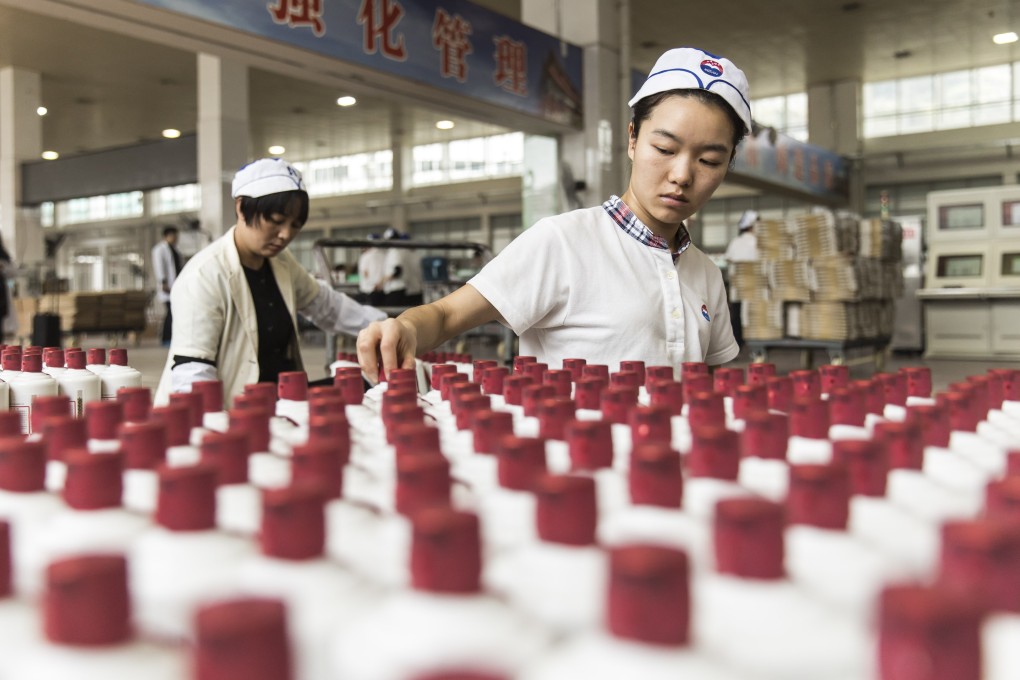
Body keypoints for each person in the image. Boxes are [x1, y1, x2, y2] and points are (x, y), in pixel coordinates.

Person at [358, 47, 750, 382]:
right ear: (632, 138)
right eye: (664, 149)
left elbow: (708, 384)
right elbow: (446, 315)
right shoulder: (564, 242)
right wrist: (406, 327)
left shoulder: (705, 273)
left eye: (709, 160)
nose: (682, 175)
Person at [154, 158, 387, 406]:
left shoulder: (280, 262)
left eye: (295, 225)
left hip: (278, 401)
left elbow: (328, 306)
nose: (286, 234)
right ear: (242, 208)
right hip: (234, 410)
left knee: (365, 385)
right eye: (276, 221)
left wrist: (390, 326)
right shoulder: (204, 276)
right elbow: (193, 374)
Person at [724, 209, 760, 347]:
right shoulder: (757, 242)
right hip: (755, 286)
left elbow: (729, 259)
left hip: (737, 286)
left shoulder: (735, 242)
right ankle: (753, 342)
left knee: (737, 315)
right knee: (752, 314)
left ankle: (738, 342)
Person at [152, 225, 183, 346]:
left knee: (173, 312)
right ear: (167, 236)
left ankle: (169, 338)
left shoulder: (175, 250)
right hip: (167, 286)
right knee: (170, 312)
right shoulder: (159, 249)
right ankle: (166, 339)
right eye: (173, 236)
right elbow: (159, 266)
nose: (176, 238)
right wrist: (163, 282)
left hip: (175, 285)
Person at [380, 228, 424, 307]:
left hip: (398, 288)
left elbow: (397, 270)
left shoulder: (396, 252)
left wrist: (383, 280)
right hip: (414, 288)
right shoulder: (413, 254)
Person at [357, 234, 386, 306]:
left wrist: (372, 284)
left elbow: (365, 273)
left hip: (368, 290)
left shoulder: (366, 256)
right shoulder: (384, 255)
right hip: (381, 289)